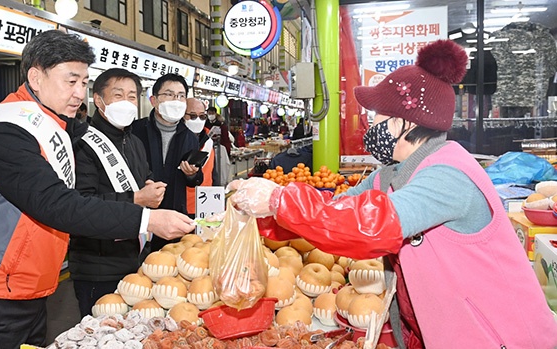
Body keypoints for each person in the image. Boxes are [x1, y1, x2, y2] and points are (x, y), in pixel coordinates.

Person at [228, 40, 557, 349]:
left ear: (405, 124)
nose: (371, 125)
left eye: (378, 117)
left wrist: (278, 200)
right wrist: (268, 213)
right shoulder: (391, 175)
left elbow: (371, 225)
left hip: (499, 337)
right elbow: (336, 209)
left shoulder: (448, 174)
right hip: (441, 332)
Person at [0, 30, 194, 349]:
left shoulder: (54, 122)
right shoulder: (4, 131)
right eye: (70, 81)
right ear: (36, 77)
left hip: (31, 286)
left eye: (84, 83)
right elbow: (57, 204)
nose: (79, 93)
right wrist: (148, 220)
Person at [71, 68, 167, 317]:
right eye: (118, 95)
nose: (126, 102)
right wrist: (136, 199)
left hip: (135, 259)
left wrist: (150, 187)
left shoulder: (134, 141)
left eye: (132, 96)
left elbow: (143, 176)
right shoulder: (82, 143)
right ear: (98, 99)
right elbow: (79, 205)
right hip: (98, 264)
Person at [131, 73, 202, 251]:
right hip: (140, 214)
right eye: (169, 94)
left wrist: (192, 174)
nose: (176, 100)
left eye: (181, 96)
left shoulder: (189, 137)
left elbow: (195, 178)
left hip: (174, 216)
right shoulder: (135, 131)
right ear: (154, 100)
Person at [183, 98, 215, 217]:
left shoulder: (208, 142)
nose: (197, 120)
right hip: (181, 207)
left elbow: (213, 174)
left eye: (202, 116)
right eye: (192, 116)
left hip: (205, 203)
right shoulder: (173, 141)